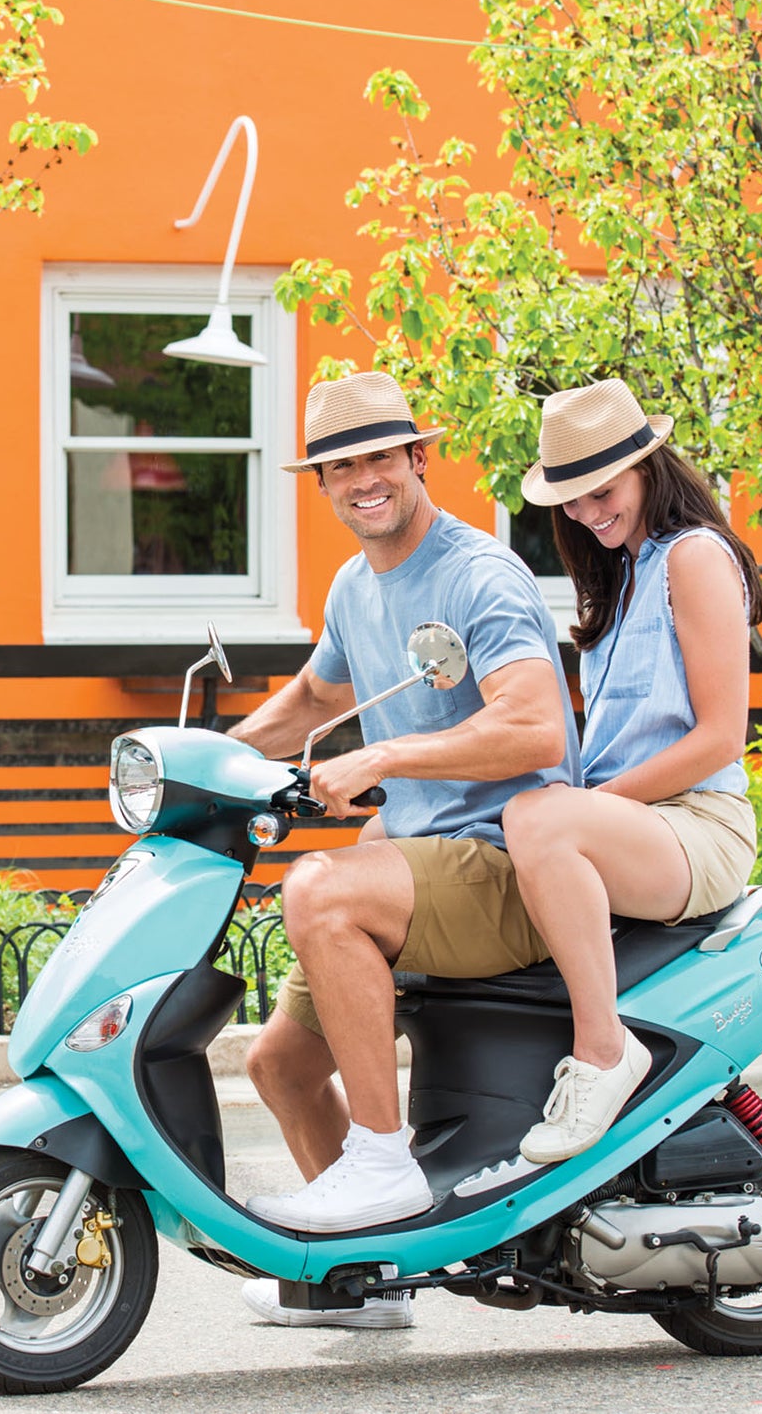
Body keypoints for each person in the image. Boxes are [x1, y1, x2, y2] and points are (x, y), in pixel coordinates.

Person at [226, 370, 580, 1327]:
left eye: (379, 457)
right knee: (278, 1066)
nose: (362, 480)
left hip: (507, 860)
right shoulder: (354, 584)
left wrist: (381, 754)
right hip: (427, 860)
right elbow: (312, 698)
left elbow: (536, 727)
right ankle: (364, 1283)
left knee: (320, 891)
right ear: (323, 486)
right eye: (339, 467)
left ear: (418, 457)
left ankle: (381, 1165)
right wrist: (209, 759)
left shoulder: (477, 572)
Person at [503, 378, 762, 1165]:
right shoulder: (619, 577)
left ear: (648, 466)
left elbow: (721, 736)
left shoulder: (692, 557)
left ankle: (603, 1051)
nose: (586, 513)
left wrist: (582, 806)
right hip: (632, 824)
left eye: (601, 491)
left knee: (538, 816)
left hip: (697, 827)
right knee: (513, 814)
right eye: (571, 502)